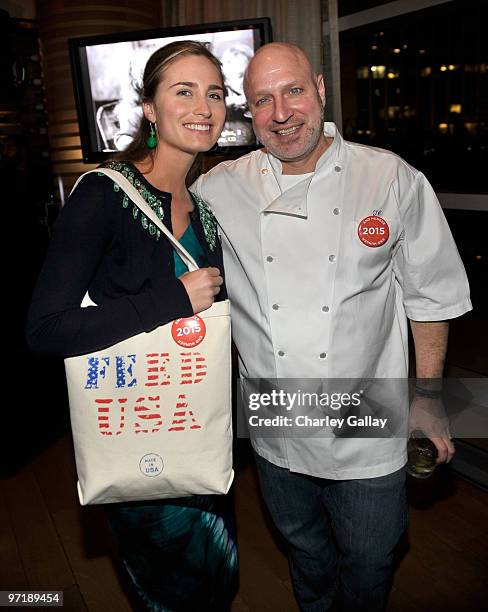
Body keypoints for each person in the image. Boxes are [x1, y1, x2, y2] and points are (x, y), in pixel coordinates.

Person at [191, 42, 471, 611]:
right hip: (274, 425)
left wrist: (429, 398)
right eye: (262, 100)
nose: (280, 113)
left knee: (370, 562)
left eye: (293, 91)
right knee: (307, 554)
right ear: (249, 111)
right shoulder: (219, 188)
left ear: (320, 88)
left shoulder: (388, 177)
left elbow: (431, 295)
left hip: (368, 421)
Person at [26, 41, 237, 611]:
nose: (204, 106)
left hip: (197, 428)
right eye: (183, 91)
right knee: (175, 592)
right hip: (139, 435)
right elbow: (45, 329)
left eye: (214, 93)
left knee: (218, 582)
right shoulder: (103, 193)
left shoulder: (203, 206)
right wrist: (173, 297)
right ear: (148, 108)